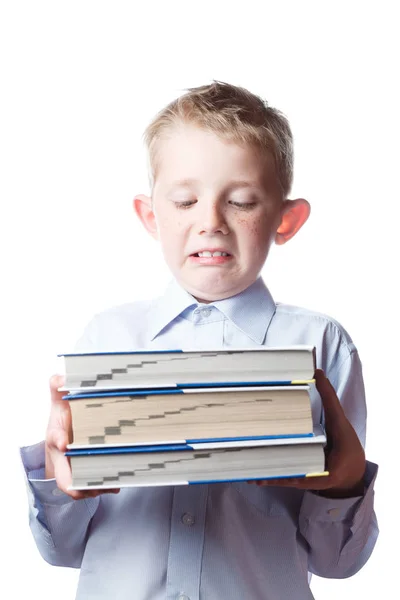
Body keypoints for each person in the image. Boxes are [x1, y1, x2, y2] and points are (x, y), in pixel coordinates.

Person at [21, 81, 378, 600]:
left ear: (286, 219)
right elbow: (60, 550)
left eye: (240, 201)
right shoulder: (106, 339)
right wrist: (59, 479)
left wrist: (346, 485)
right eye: (186, 200)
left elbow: (338, 564)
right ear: (151, 216)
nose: (210, 222)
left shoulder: (322, 344)